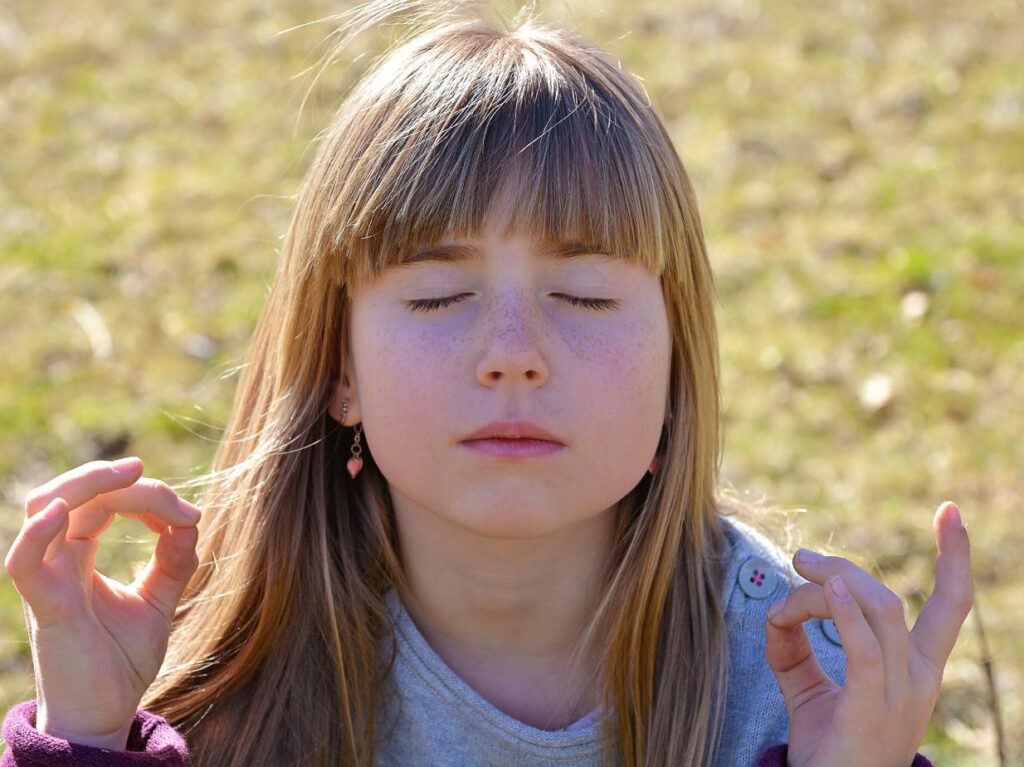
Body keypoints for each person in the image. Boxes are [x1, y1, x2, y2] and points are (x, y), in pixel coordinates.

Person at [1, 1, 974, 765]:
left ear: (680, 360)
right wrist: (87, 733)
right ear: (338, 364)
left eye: (585, 294)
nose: (513, 351)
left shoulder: (801, 685)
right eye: (437, 296)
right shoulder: (214, 670)